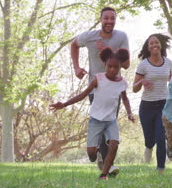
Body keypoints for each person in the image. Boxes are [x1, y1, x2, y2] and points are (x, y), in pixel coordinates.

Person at [50, 48, 135, 180]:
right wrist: (65, 104)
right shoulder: (98, 79)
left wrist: (129, 113)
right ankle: (97, 153)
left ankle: (103, 175)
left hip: (111, 120)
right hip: (96, 119)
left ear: (120, 67)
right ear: (105, 65)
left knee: (114, 144)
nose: (112, 69)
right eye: (109, 66)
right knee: (91, 155)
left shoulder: (122, 83)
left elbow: (124, 98)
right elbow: (83, 94)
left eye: (116, 67)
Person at [70, 7, 129, 175]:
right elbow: (74, 44)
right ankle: (104, 163)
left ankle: (107, 165)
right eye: (106, 18)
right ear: (101, 19)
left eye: (112, 18)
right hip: (95, 87)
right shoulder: (89, 36)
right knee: (101, 122)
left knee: (110, 123)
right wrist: (76, 68)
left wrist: (109, 51)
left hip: (113, 89)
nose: (109, 21)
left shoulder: (121, 37)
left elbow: (126, 64)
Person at [132, 34, 172, 173]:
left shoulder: (168, 63)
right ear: (148, 48)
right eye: (151, 43)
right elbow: (134, 88)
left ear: (160, 44)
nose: (154, 45)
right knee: (150, 139)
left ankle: (160, 168)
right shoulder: (143, 65)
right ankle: (148, 146)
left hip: (163, 104)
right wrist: (142, 81)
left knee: (160, 137)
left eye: (156, 42)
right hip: (147, 106)